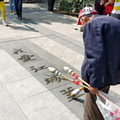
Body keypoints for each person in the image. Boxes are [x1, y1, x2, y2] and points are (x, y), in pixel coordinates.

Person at [78, 6, 120, 120]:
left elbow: (95, 56)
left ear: (84, 19)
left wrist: (94, 82)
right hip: (112, 70)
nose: (82, 26)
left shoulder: (91, 24)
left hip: (100, 74)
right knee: (102, 100)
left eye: (81, 22)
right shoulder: (114, 21)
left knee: (92, 109)